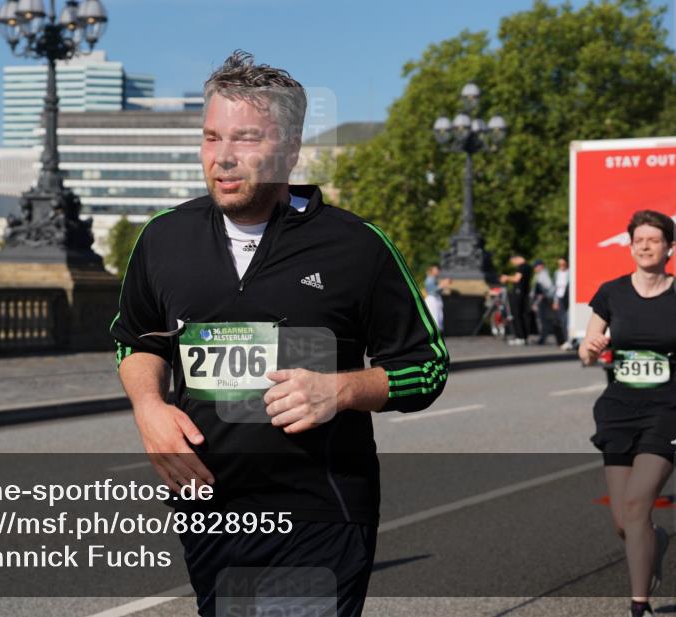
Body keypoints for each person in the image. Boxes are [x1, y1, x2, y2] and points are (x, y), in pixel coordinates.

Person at [111, 50, 449, 617]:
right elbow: (137, 340)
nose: (222, 157)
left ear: (291, 150)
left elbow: (427, 366)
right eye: (211, 137)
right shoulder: (163, 239)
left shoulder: (356, 247)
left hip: (319, 510)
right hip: (207, 511)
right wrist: (149, 408)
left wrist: (340, 390)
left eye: (245, 139)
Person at [578, 210, 676, 617]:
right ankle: (655, 540)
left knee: (636, 506)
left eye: (653, 240)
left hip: (668, 409)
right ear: (631, 247)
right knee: (623, 522)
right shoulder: (611, 293)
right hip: (618, 410)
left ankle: (639, 605)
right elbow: (587, 350)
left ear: (670, 248)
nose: (645, 246)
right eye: (638, 240)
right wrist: (591, 349)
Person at [500, 253, 532, 345]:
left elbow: (517, 279)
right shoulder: (528, 267)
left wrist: (506, 277)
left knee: (516, 314)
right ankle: (524, 337)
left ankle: (520, 337)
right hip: (524, 293)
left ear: (516, 259)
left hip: (518, 293)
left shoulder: (521, 267)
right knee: (522, 315)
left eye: (513, 262)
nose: (513, 264)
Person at [423, 264, 451, 332]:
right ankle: (434, 332)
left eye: (438, 270)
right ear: (432, 270)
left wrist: (442, 285)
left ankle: (437, 331)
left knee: (438, 316)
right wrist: (442, 285)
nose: (438, 271)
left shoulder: (433, 278)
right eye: (436, 270)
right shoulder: (430, 279)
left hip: (436, 299)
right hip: (432, 299)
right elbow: (431, 291)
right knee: (434, 316)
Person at [553, 257, 571, 348]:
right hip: (560, 297)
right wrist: (555, 300)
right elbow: (555, 287)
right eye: (560, 264)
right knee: (561, 320)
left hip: (568, 297)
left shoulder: (570, 272)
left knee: (567, 319)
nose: (561, 266)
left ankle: (569, 339)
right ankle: (564, 339)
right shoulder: (557, 273)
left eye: (563, 264)